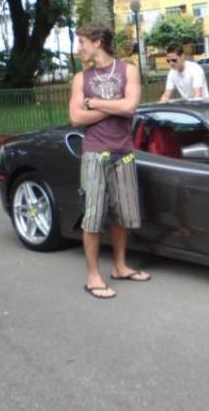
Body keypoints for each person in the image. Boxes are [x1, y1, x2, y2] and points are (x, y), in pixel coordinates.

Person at [69, 22, 150, 300]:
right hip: (94, 153)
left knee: (121, 215)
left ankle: (120, 266)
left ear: (97, 41)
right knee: (92, 217)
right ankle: (93, 277)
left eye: (81, 42)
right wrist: (112, 106)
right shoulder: (81, 79)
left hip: (123, 153)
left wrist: (94, 103)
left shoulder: (129, 71)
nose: (78, 48)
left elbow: (130, 107)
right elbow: (77, 118)